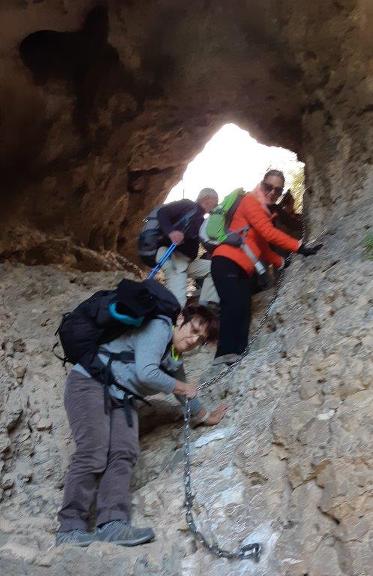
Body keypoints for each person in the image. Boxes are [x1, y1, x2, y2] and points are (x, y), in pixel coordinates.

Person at [56, 304, 227, 547]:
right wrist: (181, 388)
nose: (193, 340)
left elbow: (184, 394)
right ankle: (69, 528)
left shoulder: (174, 358)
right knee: (93, 451)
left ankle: (113, 524)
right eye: (194, 329)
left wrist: (206, 416)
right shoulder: (158, 327)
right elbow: (147, 372)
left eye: (201, 339)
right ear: (180, 320)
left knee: (124, 452)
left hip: (122, 397)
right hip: (89, 383)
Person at [210, 170, 322, 368]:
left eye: (277, 190)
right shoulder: (250, 201)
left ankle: (238, 354)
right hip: (226, 261)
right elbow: (268, 233)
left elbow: (262, 246)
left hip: (242, 268)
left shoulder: (264, 212)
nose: (272, 192)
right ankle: (225, 356)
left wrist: (280, 262)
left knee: (244, 308)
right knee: (233, 305)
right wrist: (299, 247)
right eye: (268, 187)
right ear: (261, 184)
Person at [155, 188, 219, 307]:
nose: (216, 205)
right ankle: (177, 321)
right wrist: (171, 232)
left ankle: (204, 308)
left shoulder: (201, 220)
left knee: (217, 268)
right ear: (206, 199)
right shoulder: (188, 205)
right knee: (178, 303)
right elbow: (162, 212)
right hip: (172, 255)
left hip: (186, 262)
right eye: (215, 201)